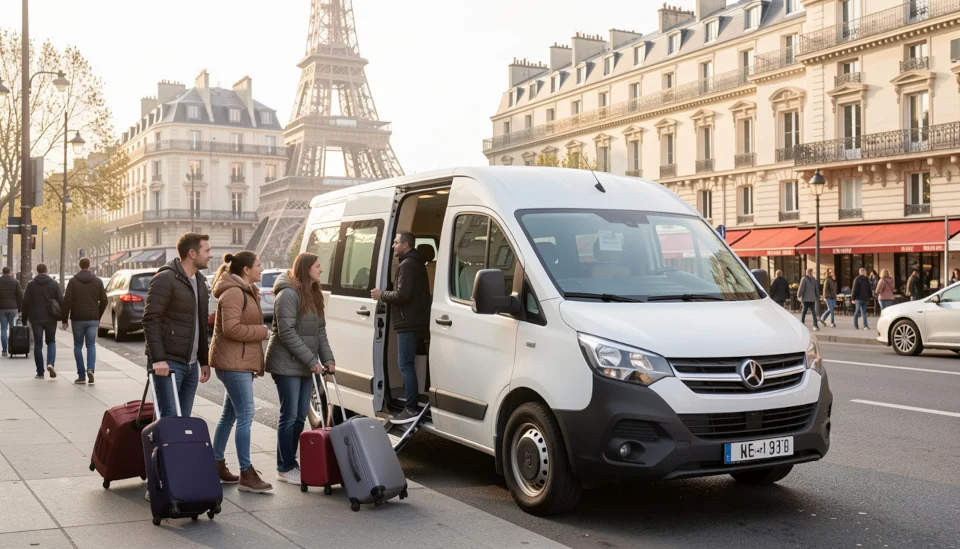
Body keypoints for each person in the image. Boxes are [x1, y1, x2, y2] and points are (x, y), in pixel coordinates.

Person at [265, 253, 336, 486]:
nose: (321, 270)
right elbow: (286, 333)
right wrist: (311, 360)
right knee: (290, 415)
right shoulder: (287, 294)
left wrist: (328, 359)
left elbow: (320, 332)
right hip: (286, 363)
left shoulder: (313, 293)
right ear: (306, 269)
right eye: (317, 266)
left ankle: (290, 462)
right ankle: (284, 467)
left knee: (298, 418)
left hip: (306, 364)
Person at [209, 251, 272, 493]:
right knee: (246, 414)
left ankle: (216, 463)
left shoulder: (244, 290)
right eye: (258, 265)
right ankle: (247, 473)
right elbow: (231, 329)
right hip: (234, 364)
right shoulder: (234, 292)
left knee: (230, 415)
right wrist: (262, 332)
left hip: (238, 362)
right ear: (246, 269)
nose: (262, 268)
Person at [143, 233, 213, 418]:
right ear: (192, 253)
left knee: (183, 422)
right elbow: (151, 319)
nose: (210, 255)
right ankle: (158, 449)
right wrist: (157, 359)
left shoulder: (200, 281)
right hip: (168, 363)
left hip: (191, 366)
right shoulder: (165, 278)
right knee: (169, 420)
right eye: (207, 250)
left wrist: (204, 361)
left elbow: (201, 323)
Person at [371, 231, 432, 424]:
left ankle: (411, 408)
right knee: (411, 364)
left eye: (396, 243)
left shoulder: (407, 265)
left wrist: (382, 294)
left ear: (406, 245)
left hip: (408, 322)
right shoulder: (416, 263)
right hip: (417, 320)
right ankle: (413, 404)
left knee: (405, 365)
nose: (393, 246)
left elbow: (402, 295)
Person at [60, 258, 108, 384]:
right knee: (91, 345)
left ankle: (81, 375)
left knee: (77, 346)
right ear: (90, 266)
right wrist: (98, 314)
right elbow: (104, 300)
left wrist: (64, 319)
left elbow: (67, 301)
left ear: (78, 266)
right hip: (93, 317)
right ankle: (91, 368)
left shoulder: (73, 281)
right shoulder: (97, 281)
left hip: (77, 318)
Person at [22, 264, 64, 379]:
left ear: (37, 271)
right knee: (51, 342)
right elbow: (61, 301)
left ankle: (40, 372)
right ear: (47, 270)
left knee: (38, 344)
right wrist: (64, 318)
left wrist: (24, 319)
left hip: (35, 319)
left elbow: (25, 303)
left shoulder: (31, 285)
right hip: (51, 318)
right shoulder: (54, 284)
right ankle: (50, 363)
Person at [0, 266, 23, 357]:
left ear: (2, 272)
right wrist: (20, 310)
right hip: (13, 308)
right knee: (13, 329)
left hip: (1, 308)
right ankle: (13, 348)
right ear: (10, 272)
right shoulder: (16, 282)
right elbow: (20, 296)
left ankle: (4, 350)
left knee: (3, 329)